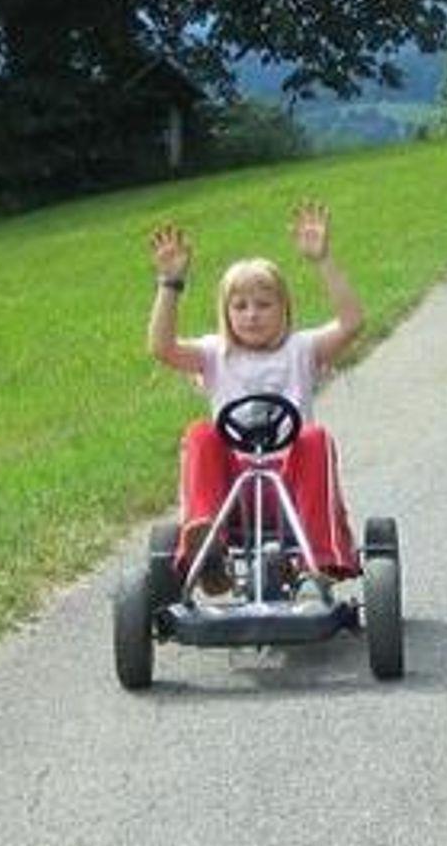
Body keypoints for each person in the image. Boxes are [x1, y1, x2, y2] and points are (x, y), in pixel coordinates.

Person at [147, 201, 365, 589]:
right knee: (201, 433)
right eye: (241, 306)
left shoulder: (301, 349)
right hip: (232, 489)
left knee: (314, 438)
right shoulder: (214, 354)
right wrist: (170, 285)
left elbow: (352, 324)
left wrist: (323, 260)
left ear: (284, 309)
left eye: (264, 305)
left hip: (292, 484)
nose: (252, 315)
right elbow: (161, 348)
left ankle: (317, 563)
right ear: (226, 312)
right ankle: (207, 546)